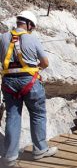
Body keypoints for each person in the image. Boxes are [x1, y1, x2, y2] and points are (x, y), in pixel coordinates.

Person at [0, 11, 58, 167]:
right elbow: (45, 62)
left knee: (13, 116)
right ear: (29, 24)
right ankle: (40, 149)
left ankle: (10, 156)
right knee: (38, 114)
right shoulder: (32, 38)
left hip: (9, 83)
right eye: (32, 27)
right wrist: (35, 68)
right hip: (29, 82)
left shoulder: (3, 37)